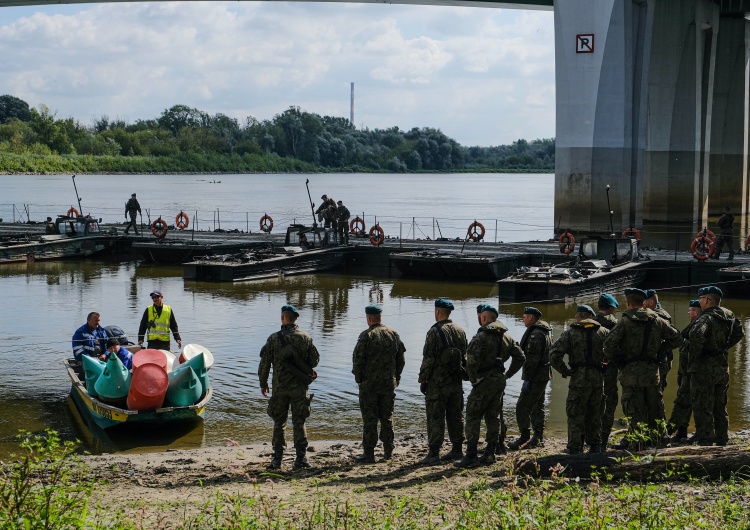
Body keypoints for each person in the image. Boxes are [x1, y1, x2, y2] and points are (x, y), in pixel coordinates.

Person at [603, 288, 681, 449]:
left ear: (628, 302)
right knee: (655, 408)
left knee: (633, 408)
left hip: (630, 374)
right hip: (652, 373)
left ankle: (636, 442)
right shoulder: (658, 320)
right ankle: (660, 440)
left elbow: (608, 346)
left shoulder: (624, 322)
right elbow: (677, 338)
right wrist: (661, 351)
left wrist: (619, 360)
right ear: (643, 302)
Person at [457, 305, 524, 468]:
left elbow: (471, 362)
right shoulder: (506, 336)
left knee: (473, 416)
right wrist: (507, 374)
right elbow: (521, 357)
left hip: (483, 382)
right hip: (499, 381)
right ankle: (490, 453)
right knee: (493, 417)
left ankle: (471, 455)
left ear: (484, 318)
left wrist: (473, 380)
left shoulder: (481, 337)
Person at [258, 304, 320, 470]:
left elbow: (264, 364)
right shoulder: (305, 338)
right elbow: (314, 361)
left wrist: (263, 383)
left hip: (279, 388)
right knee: (299, 421)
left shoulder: (273, 339)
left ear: (282, 318)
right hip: (299, 387)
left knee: (279, 422)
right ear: (295, 319)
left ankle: (277, 460)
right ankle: (301, 459)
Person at [550, 304, 610, 454]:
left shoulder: (570, 333)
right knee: (594, 413)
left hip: (578, 379)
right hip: (597, 379)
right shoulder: (604, 332)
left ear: (578, 316)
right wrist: (606, 367)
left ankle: (575, 446)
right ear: (592, 316)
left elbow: (553, 354)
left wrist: (565, 370)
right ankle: (595, 446)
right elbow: (615, 351)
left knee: (575, 413)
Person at [688, 286, 744, 446]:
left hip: (704, 368)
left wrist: (696, 357)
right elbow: (740, 333)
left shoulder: (706, 318)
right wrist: (723, 348)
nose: (700, 301)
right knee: (720, 405)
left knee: (702, 405)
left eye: (701, 299)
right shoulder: (729, 314)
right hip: (722, 366)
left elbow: (697, 335)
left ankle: (705, 442)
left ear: (706, 300)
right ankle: (722, 439)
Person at [352, 305, 406, 464]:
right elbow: (401, 359)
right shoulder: (393, 334)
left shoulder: (366, 336)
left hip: (369, 385)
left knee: (370, 419)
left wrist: (359, 380)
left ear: (369, 318)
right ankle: (388, 451)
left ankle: (369, 453)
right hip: (388, 384)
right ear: (380, 317)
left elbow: (357, 362)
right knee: (387, 417)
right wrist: (396, 376)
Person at [417, 298, 468, 464]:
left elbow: (428, 359)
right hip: (455, 381)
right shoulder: (460, 330)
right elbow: (465, 356)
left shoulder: (434, 332)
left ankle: (433, 453)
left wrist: (423, 379)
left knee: (435, 416)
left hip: (437, 383)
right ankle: (457, 449)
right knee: (456, 415)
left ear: (437, 312)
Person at [508, 307, 552, 450]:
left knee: (522, 407)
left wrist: (527, 379)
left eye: (525, 316)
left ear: (531, 318)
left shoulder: (535, 334)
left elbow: (532, 359)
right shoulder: (545, 331)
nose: (523, 319)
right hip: (543, 375)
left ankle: (524, 437)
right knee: (537, 406)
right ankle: (538, 437)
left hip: (535, 376)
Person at [667, 299, 702, 442]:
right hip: (684, 372)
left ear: (697, 312)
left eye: (690, 310)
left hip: (692, 373)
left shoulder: (699, 327)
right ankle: (681, 432)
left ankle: (670, 430)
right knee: (684, 403)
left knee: (685, 402)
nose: (688, 313)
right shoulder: (691, 327)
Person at [595, 293, 620, 446]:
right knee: (609, 402)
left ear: (598, 307)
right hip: (610, 369)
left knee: (591, 402)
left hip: (591, 370)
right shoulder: (617, 324)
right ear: (611, 308)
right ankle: (603, 439)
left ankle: (588, 437)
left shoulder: (588, 322)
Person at [643, 289, 675, 391]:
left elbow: (676, 338)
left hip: (655, 363)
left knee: (654, 395)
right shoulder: (663, 314)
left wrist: (662, 347)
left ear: (651, 302)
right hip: (660, 361)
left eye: (643, 301)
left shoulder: (656, 317)